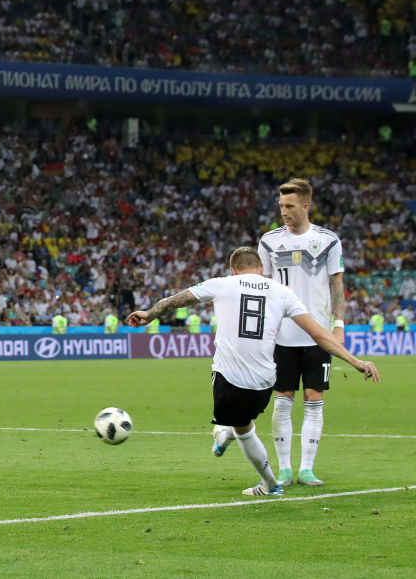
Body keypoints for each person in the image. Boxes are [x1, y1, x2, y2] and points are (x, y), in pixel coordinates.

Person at [126, 247, 378, 497]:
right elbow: (318, 333)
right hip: (265, 382)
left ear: (233, 269)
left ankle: (269, 483)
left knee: (241, 427)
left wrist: (149, 314)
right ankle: (226, 435)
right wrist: (354, 361)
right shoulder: (283, 292)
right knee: (240, 419)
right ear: (261, 269)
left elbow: (173, 301)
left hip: (229, 378)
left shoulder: (222, 284)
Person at [258, 178, 346, 487]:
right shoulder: (269, 242)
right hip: (282, 334)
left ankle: (306, 468)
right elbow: (264, 290)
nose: (284, 211)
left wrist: (339, 325)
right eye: (281, 205)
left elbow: (337, 285)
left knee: (313, 397)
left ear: (306, 206)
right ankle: (284, 469)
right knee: (282, 399)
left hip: (318, 334)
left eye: (290, 206)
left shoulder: (328, 241)